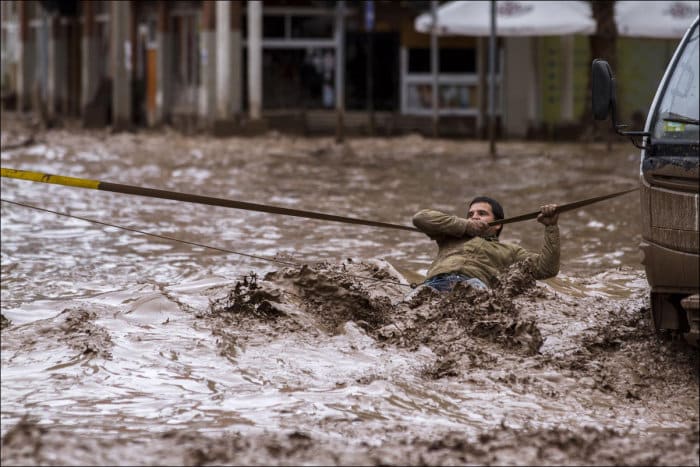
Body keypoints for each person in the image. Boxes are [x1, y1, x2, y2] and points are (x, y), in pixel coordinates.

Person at [412, 196, 560, 292]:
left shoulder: (511, 250)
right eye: (470, 215)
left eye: (482, 214)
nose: (475, 217)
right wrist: (465, 226)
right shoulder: (451, 236)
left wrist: (551, 227)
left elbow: (547, 268)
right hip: (433, 283)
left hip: (474, 287)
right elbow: (421, 218)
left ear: (498, 224)